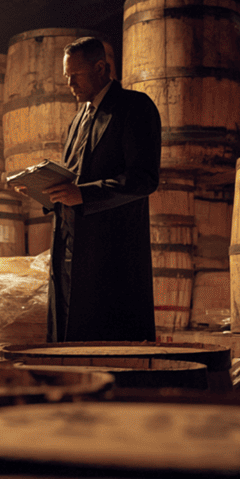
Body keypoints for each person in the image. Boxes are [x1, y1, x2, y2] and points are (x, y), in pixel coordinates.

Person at [42, 36, 161, 342]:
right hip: (69, 245)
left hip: (111, 253)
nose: (70, 84)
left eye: (75, 76)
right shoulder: (76, 120)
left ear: (100, 68)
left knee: (107, 341)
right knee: (68, 335)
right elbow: (72, 178)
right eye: (66, 77)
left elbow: (144, 178)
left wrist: (85, 194)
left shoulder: (134, 107)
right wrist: (43, 190)